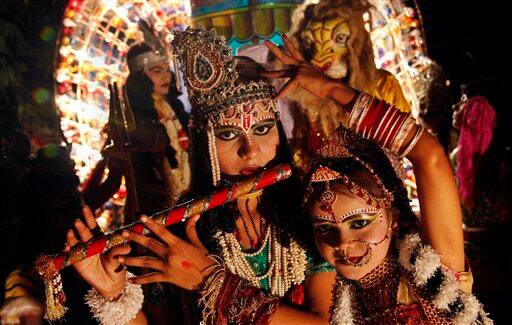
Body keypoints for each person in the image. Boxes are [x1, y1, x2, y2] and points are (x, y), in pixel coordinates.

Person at [60, 28, 335, 325]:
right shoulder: (177, 230)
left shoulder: (311, 213)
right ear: (205, 143)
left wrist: (209, 280)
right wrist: (114, 294)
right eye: (228, 134)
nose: (250, 150)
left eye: (262, 129)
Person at [260, 37, 490, 323]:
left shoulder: (430, 276)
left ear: (391, 217)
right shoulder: (341, 302)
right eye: (325, 228)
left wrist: (333, 90)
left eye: (359, 222)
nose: (343, 243)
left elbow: (428, 155)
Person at [82, 42, 190, 221]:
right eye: (156, 70)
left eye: (166, 69)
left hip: (190, 199)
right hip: (154, 213)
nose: (166, 76)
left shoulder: (173, 108)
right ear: (140, 77)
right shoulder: (129, 120)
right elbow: (114, 181)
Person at [451, 79, 512, 322]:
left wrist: (464, 234)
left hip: (499, 272)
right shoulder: (458, 157)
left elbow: (504, 231)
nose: (455, 107)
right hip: (473, 272)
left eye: (464, 103)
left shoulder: (503, 166)